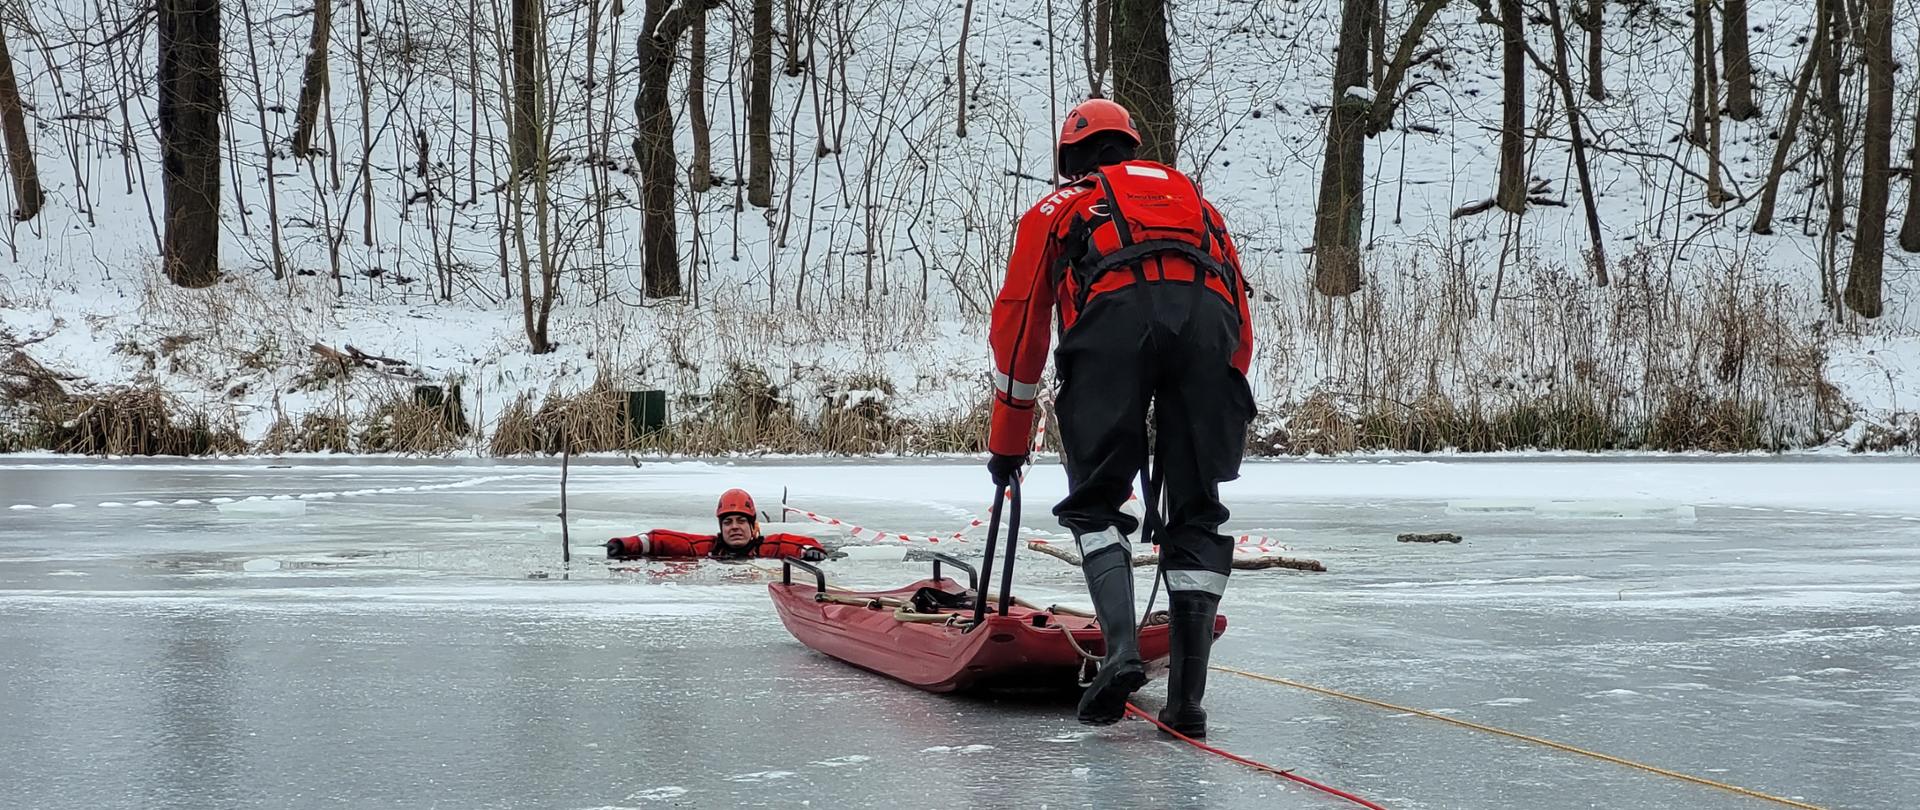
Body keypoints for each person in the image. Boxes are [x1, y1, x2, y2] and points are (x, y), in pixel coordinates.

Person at [985, 99, 1254, 736]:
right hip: (1209, 337)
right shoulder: (1199, 207)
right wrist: (1209, 403)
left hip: (1112, 329)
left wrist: (1009, 440)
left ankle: (1121, 651)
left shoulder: (1061, 206)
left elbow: (1021, 323)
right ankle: (1186, 703)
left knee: (1096, 501)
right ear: (1131, 147)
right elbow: (1239, 323)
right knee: (1196, 512)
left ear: (1072, 160)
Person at [606, 488, 828, 561]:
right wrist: (625, 545)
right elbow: (661, 540)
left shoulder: (768, 547)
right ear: (721, 527)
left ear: (753, 526)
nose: (734, 527)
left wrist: (812, 552)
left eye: (741, 521)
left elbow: (801, 544)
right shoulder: (709, 547)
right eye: (728, 522)